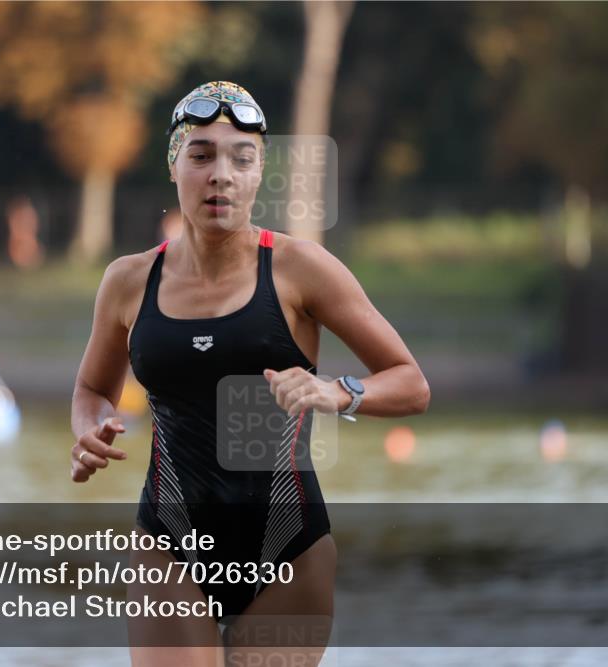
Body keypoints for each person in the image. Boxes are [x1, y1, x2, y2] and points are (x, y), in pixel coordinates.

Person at [69, 81, 430, 667]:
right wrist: (90, 427)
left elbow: (410, 382)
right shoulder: (128, 282)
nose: (222, 175)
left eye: (242, 158)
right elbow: (92, 389)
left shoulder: (301, 269)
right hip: (170, 542)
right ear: (174, 167)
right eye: (202, 155)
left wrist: (338, 392)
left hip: (288, 547)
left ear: (260, 173)